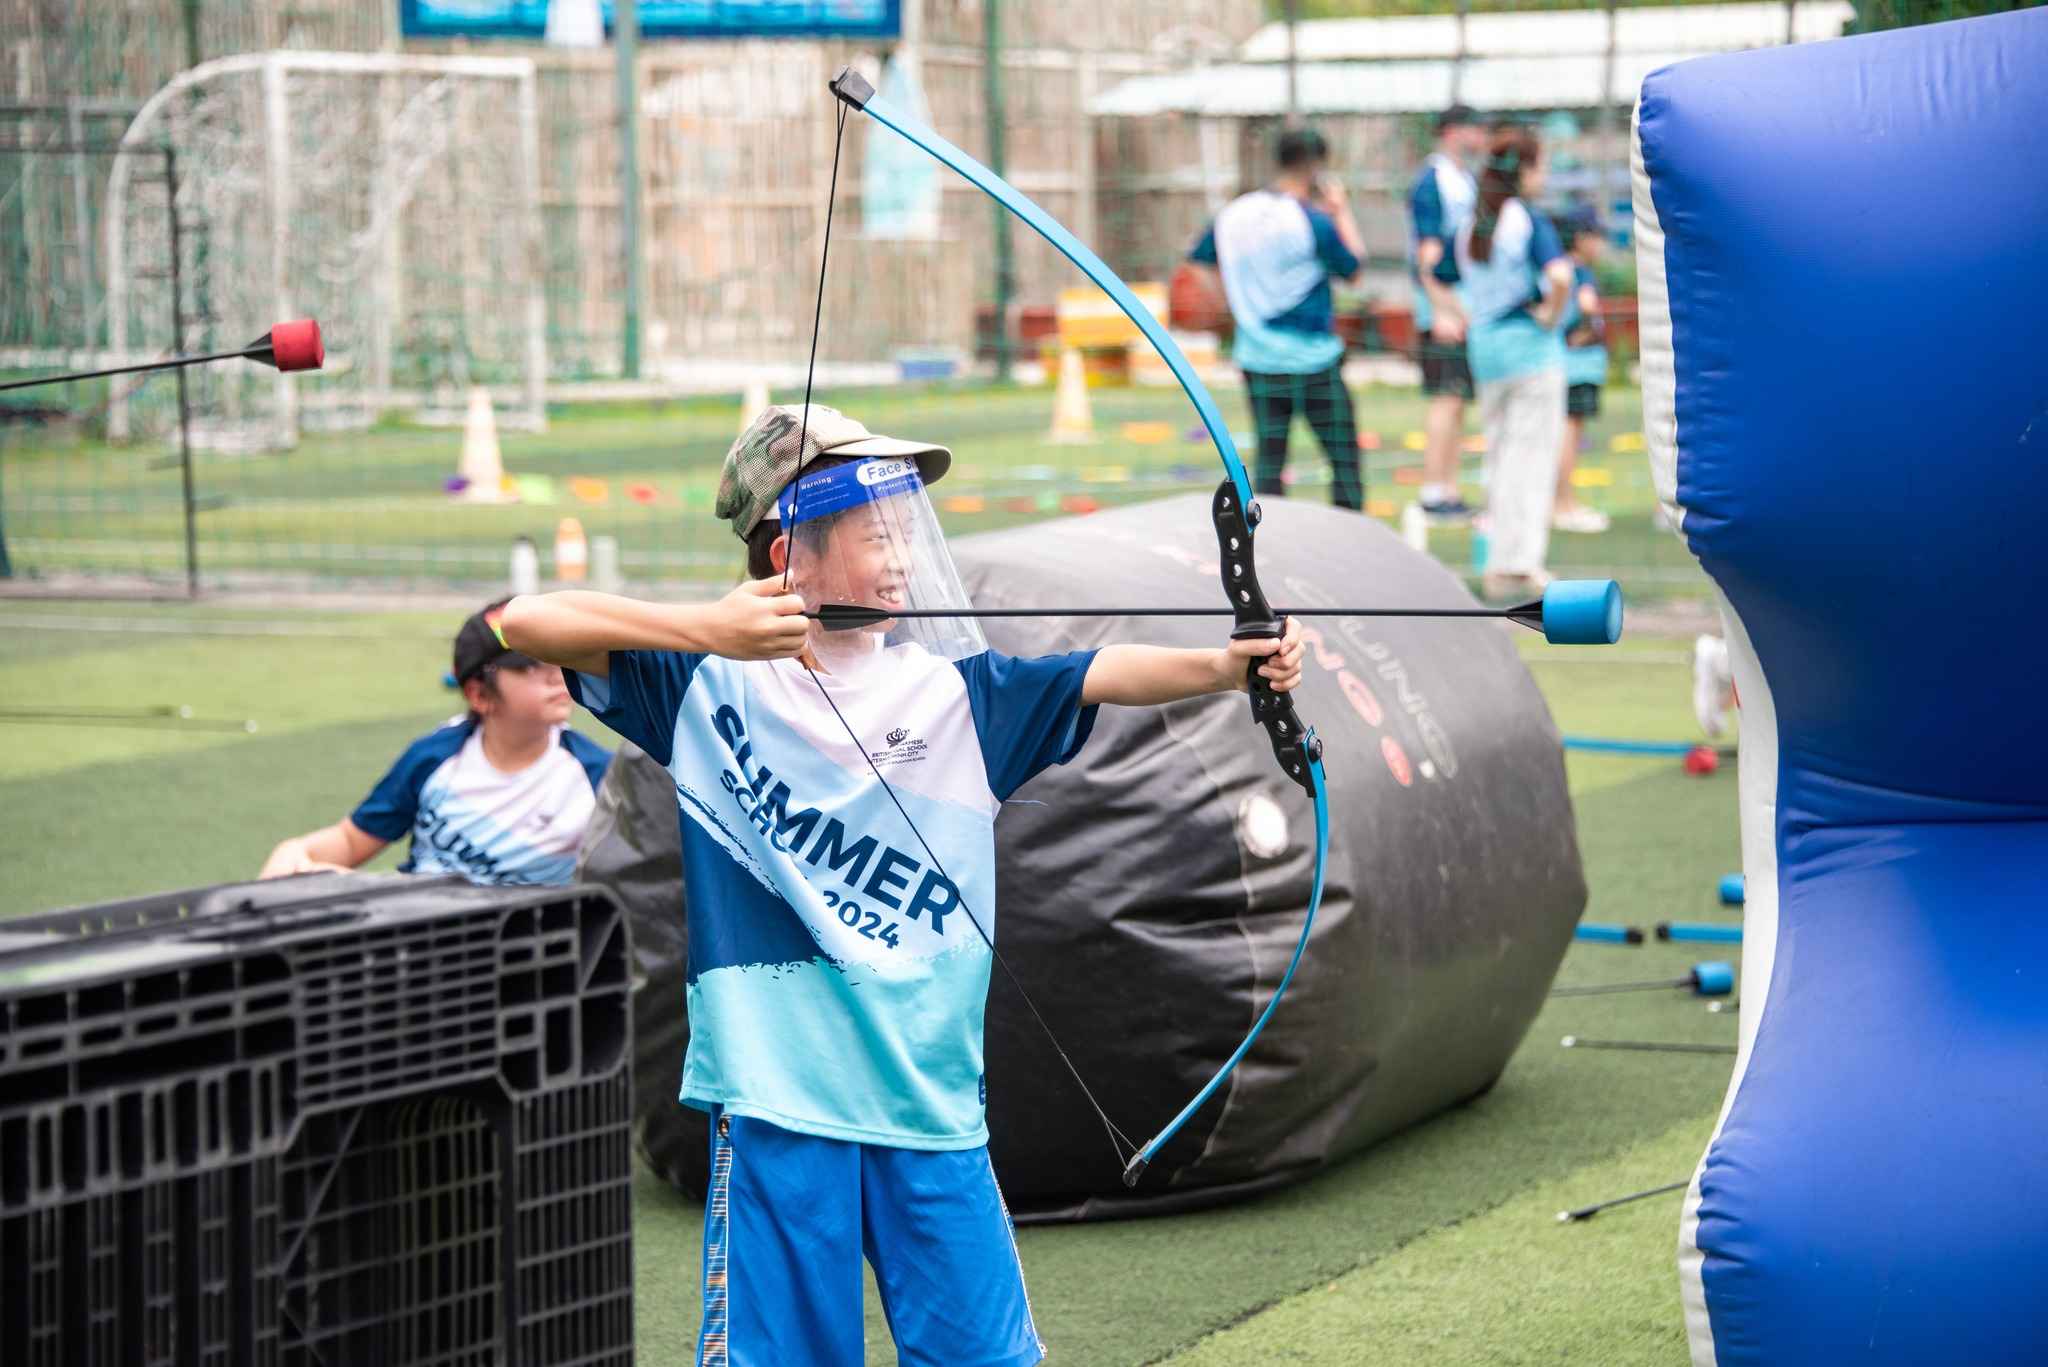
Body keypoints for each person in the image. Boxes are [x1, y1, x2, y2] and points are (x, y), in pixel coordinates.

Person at [500, 403, 1305, 1367]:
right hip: (778, 1107)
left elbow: (1101, 671)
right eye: (874, 531)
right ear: (791, 552)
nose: (899, 552)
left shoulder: (959, 695)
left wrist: (1227, 666)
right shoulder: (703, 689)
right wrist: (704, 626)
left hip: (929, 1105)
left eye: (901, 528)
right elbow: (525, 621)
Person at [257, 600, 612, 884]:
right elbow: (351, 841)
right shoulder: (435, 757)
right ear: (478, 693)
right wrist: (298, 852)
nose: (556, 676)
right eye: (532, 667)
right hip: (421, 938)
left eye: (559, 658)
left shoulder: (596, 775)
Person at [1188, 126, 1366, 510]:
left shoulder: (1235, 213)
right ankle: (1352, 546)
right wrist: (1342, 211)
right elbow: (1354, 270)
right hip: (1313, 360)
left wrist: (1230, 306)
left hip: (1257, 358)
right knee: (1344, 462)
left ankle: (1263, 551)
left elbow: (1200, 264)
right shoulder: (1313, 221)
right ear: (1317, 167)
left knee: (1270, 465)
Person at [1454, 126, 1574, 600]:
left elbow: (1437, 274)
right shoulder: (1526, 220)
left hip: (1486, 353)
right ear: (1524, 170)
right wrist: (1550, 316)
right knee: (1530, 458)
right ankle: (1520, 565)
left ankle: (1496, 561)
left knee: (1500, 457)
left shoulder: (1470, 225)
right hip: (1529, 351)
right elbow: (1560, 276)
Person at [1409, 105, 1488, 520]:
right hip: (1443, 309)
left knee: (1458, 401)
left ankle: (1449, 488)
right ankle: (1433, 490)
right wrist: (1445, 310)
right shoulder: (1433, 182)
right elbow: (1428, 257)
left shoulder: (1463, 180)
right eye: (1473, 128)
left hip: (1463, 305)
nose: (1480, 137)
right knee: (1445, 398)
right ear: (1452, 132)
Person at [1552, 206, 1612, 534]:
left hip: (1566, 365)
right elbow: (1588, 310)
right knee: (1568, 437)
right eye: (1596, 236)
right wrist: (1586, 335)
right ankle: (1564, 505)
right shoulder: (1581, 273)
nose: (1601, 243)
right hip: (1578, 367)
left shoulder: (1562, 268)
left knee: (1565, 435)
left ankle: (1562, 503)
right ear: (1580, 239)